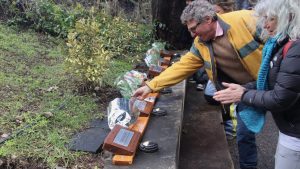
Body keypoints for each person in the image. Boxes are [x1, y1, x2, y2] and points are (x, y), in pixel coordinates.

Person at [133, 1, 264, 168]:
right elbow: (182, 67)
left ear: (208, 19)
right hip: (242, 90)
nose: (192, 35)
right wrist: (150, 86)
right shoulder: (200, 43)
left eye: (194, 29)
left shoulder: (245, 20)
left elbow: (278, 40)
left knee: (290, 129)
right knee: (244, 134)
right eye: (190, 30)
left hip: (272, 82)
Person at [213, 0, 300, 168]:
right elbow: (272, 82)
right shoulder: (280, 43)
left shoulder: (295, 49)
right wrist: (245, 88)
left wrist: (243, 95)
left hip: (295, 135)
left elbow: (280, 98)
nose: (265, 25)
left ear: (288, 17)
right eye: (264, 19)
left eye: (270, 19)